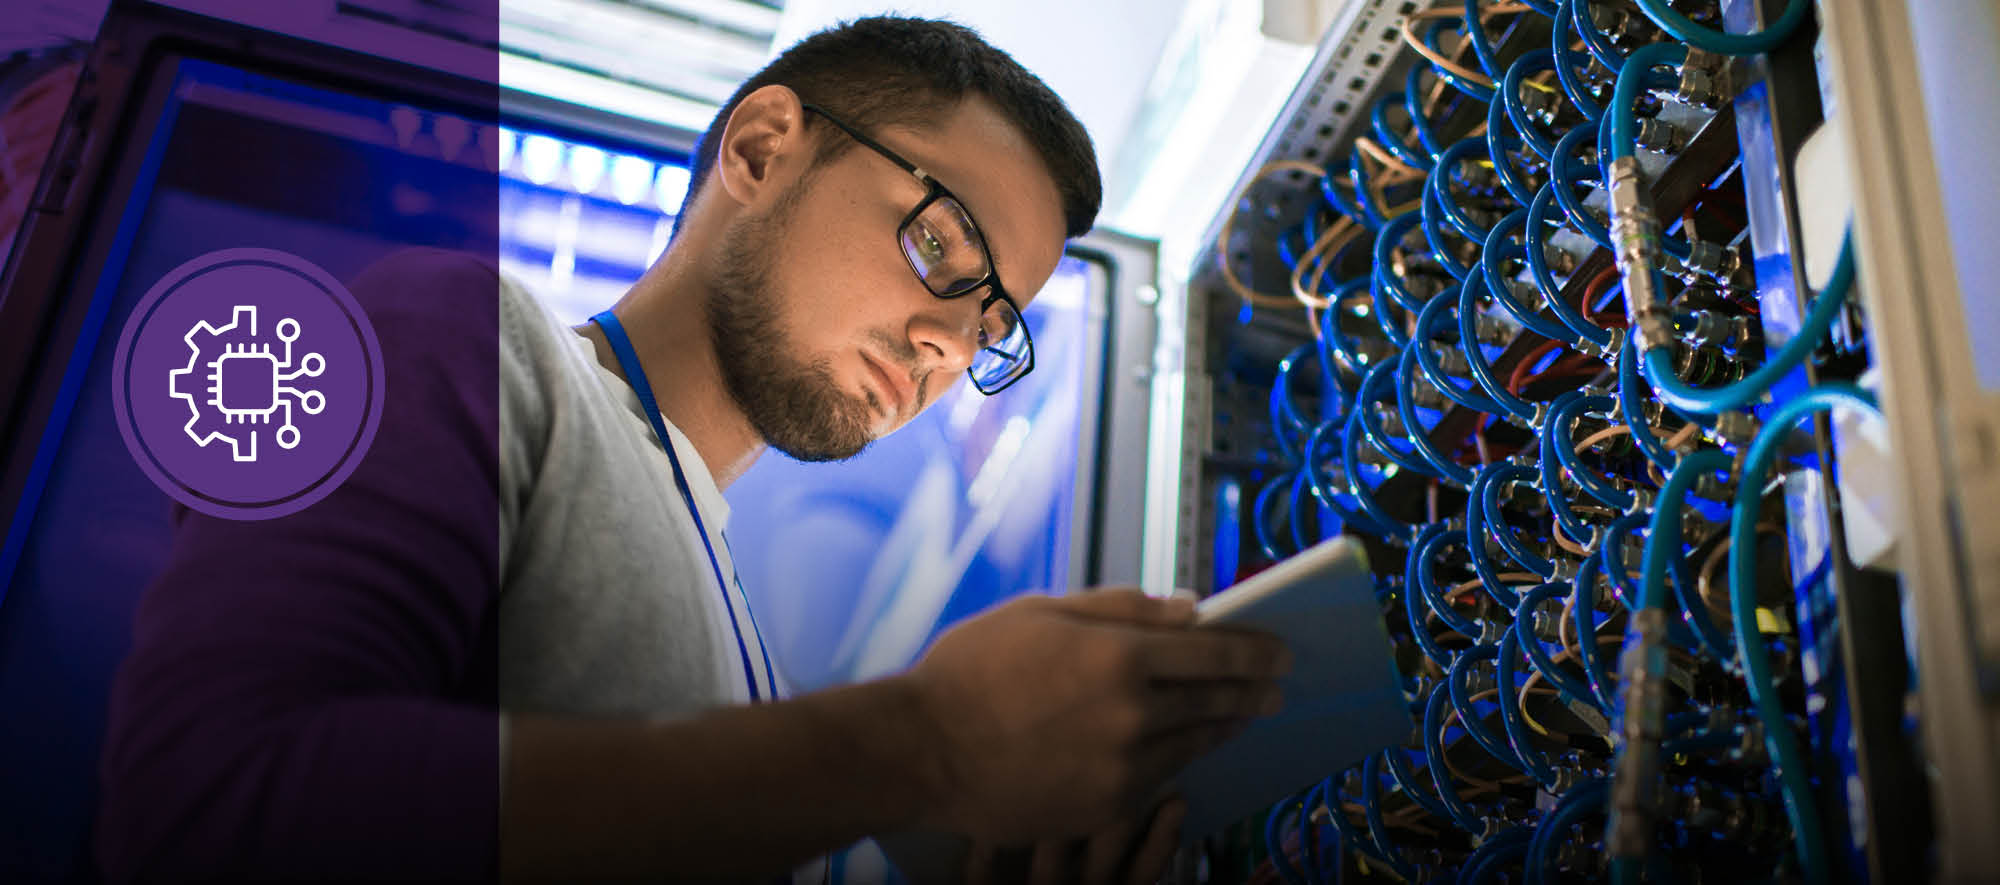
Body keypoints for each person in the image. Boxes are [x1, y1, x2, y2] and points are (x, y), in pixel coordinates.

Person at [94, 16, 1290, 883]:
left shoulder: (743, 645)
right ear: (764, 148)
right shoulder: (467, 334)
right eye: (941, 250)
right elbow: (209, 806)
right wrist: (921, 745)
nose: (943, 345)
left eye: (991, 331)